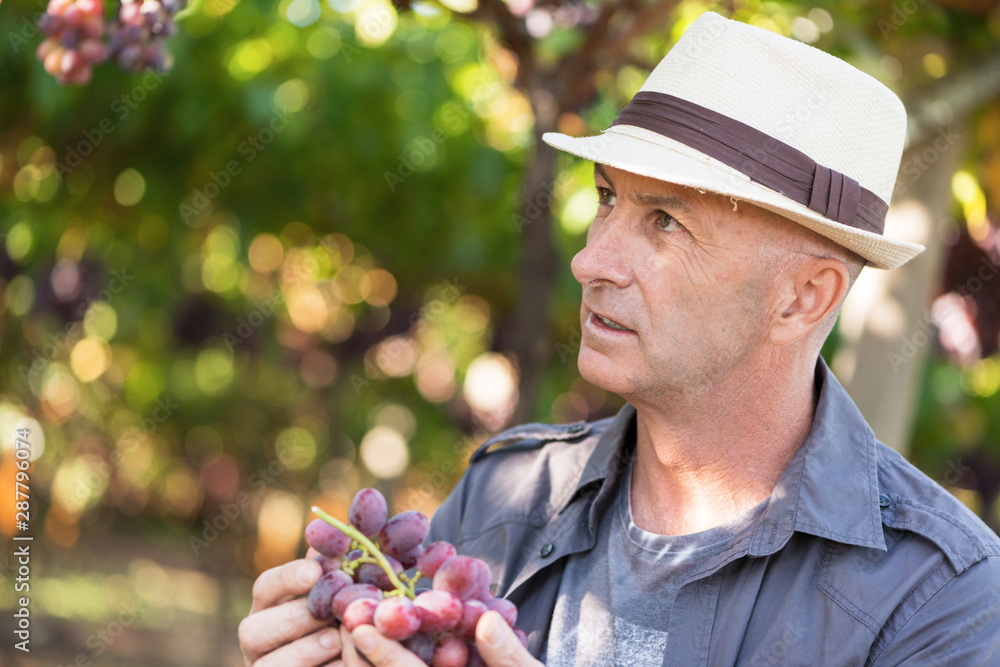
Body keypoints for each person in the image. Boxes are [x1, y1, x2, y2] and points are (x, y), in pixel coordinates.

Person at [238, 11, 1000, 666]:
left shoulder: (940, 595)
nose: (590, 258)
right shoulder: (506, 495)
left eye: (666, 221)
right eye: (607, 198)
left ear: (805, 296)